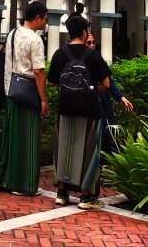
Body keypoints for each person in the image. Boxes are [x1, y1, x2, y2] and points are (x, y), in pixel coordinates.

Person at [47, 15, 111, 210]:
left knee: (63, 146)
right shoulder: (92, 55)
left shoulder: (60, 54)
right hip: (89, 109)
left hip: (65, 107)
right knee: (88, 149)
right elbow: (106, 84)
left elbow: (51, 81)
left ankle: (62, 192)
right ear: (84, 33)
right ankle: (86, 196)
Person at [0, 1, 48, 196]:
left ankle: (3, 178)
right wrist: (43, 99)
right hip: (27, 93)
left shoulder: (12, 34)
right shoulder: (35, 40)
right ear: (38, 18)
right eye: (45, 19)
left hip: (11, 90)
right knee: (27, 139)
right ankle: (23, 184)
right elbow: (39, 72)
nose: (45, 23)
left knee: (10, 137)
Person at [86, 34, 134, 155]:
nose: (92, 45)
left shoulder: (97, 58)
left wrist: (121, 97)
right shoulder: (79, 59)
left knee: (106, 133)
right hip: (86, 102)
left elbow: (108, 81)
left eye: (93, 42)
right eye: (88, 43)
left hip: (102, 100)